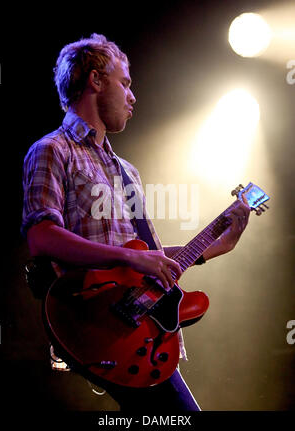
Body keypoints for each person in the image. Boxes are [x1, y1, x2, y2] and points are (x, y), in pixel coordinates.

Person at [21, 33, 250, 411]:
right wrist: (132, 260)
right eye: (125, 83)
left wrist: (216, 245)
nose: (133, 96)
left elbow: (147, 258)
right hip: (96, 322)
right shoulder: (52, 150)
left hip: (142, 328)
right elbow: (41, 237)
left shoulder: (126, 171)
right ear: (95, 80)